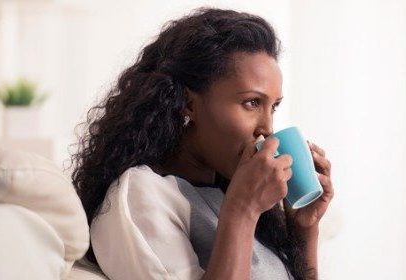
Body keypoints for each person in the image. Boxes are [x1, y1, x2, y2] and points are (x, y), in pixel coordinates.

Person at [71, 7, 334, 280]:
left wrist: (304, 231)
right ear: (188, 104)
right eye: (251, 103)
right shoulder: (143, 196)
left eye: (274, 107)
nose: (267, 128)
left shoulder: (229, 193)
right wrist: (243, 210)